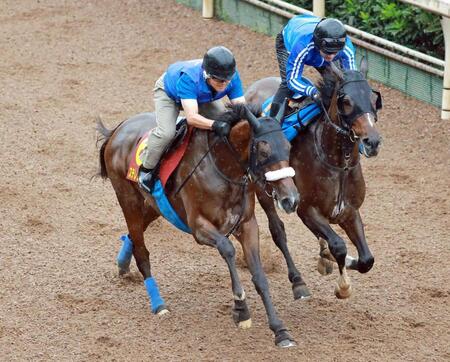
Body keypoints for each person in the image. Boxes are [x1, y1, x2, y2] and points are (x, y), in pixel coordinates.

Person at [138, 46, 246, 193]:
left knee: (223, 117)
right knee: (167, 133)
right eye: (220, 81)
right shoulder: (190, 79)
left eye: (227, 80)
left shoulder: (230, 77)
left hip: (201, 96)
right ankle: (145, 169)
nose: (225, 84)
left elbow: (241, 109)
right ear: (207, 75)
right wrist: (214, 125)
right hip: (169, 93)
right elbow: (192, 118)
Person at [269, 14, 356, 117]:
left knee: (336, 82)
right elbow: (292, 80)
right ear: (318, 45)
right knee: (286, 86)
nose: (331, 57)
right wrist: (313, 91)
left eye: (335, 52)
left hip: (312, 33)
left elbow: (352, 81)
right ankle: (271, 121)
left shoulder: (347, 48)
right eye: (327, 52)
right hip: (289, 38)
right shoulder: (302, 46)